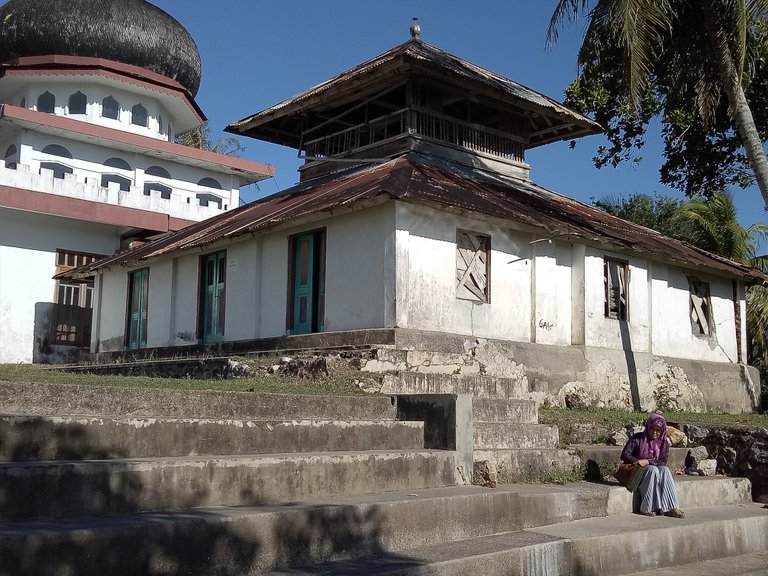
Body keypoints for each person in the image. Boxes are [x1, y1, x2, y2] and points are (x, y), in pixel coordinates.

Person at [620, 413, 685, 518]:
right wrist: (637, 460)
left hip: (650, 467)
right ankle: (647, 507)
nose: (655, 432)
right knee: (652, 470)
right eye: (652, 429)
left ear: (662, 430)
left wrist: (648, 461)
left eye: (658, 430)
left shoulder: (663, 443)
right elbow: (624, 455)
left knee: (665, 470)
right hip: (638, 471)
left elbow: (663, 461)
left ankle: (671, 507)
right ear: (648, 427)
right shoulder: (637, 438)